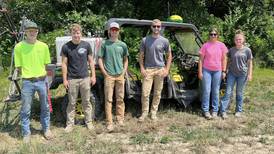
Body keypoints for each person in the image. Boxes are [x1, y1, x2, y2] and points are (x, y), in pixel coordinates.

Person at [14, 21, 53, 142]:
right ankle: (26, 133)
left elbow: (47, 65)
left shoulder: (44, 46)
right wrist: (29, 75)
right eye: (29, 30)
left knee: (45, 107)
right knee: (26, 109)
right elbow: (19, 67)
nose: (32, 32)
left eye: (34, 30)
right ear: (25, 32)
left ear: (37, 32)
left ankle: (46, 129)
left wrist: (43, 77)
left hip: (42, 81)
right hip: (27, 82)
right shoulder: (19, 47)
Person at [61, 23, 96, 132]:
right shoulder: (66, 47)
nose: (76, 35)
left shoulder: (86, 45)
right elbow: (64, 64)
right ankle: (70, 124)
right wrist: (65, 79)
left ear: (81, 34)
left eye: (78, 33)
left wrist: (93, 76)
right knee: (71, 102)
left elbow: (91, 61)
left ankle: (89, 122)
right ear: (71, 34)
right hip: (72, 79)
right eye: (74, 33)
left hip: (85, 78)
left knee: (86, 101)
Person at [138, 19, 172, 122]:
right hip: (148, 70)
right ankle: (144, 113)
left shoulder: (165, 41)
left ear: (160, 28)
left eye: (158, 26)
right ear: (151, 27)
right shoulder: (145, 40)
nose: (156, 28)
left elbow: (169, 56)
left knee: (157, 93)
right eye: (154, 26)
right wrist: (142, 68)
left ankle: (153, 113)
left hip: (160, 70)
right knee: (145, 93)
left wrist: (167, 69)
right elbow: (141, 56)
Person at [98, 22, 129, 132]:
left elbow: (126, 59)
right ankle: (109, 122)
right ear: (109, 31)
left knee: (120, 99)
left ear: (118, 31)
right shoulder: (104, 44)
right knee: (109, 99)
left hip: (120, 76)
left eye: (116, 30)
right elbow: (100, 59)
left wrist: (124, 71)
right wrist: (105, 73)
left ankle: (120, 119)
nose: (114, 31)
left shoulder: (123, 45)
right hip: (109, 76)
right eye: (112, 30)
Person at [220, 30, 253, 119]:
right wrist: (225, 70)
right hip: (231, 74)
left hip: (242, 75)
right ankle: (223, 111)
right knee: (228, 92)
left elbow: (250, 63)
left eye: (240, 39)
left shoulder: (247, 50)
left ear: (243, 40)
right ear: (234, 41)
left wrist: (250, 74)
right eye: (237, 39)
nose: (238, 41)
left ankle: (238, 110)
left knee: (239, 93)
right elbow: (228, 60)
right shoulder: (231, 50)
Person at [198, 27, 228, 119]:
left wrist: (223, 71)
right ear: (209, 35)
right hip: (206, 70)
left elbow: (224, 59)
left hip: (218, 71)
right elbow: (200, 60)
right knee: (206, 90)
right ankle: (206, 111)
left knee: (215, 91)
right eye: (211, 34)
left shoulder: (222, 45)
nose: (213, 36)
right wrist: (200, 72)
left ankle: (215, 110)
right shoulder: (205, 45)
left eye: (215, 34)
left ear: (217, 35)